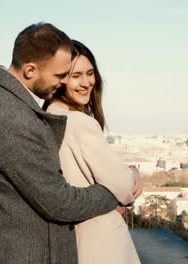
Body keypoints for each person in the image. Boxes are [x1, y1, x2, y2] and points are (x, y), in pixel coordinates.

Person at [0, 23, 130, 263]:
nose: (63, 82)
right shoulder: (10, 115)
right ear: (30, 70)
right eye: (60, 75)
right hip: (26, 255)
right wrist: (112, 196)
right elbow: (58, 202)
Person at [45, 40, 141, 264]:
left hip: (74, 239)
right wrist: (134, 173)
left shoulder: (51, 116)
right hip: (102, 240)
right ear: (60, 78)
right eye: (75, 75)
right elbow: (125, 185)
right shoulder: (80, 123)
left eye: (90, 73)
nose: (86, 82)